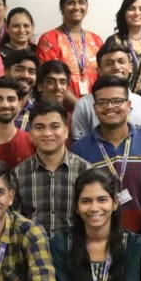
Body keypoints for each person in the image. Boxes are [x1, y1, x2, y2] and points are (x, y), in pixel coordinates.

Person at [72, 75, 141, 237]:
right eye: (102, 102)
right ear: (94, 108)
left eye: (117, 101)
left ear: (128, 105)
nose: (110, 107)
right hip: (98, 238)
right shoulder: (79, 150)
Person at [12, 100, 91, 238]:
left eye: (55, 126)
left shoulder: (86, 171)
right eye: (39, 127)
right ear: (30, 133)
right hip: (32, 249)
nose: (47, 133)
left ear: (66, 131)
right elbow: (14, 221)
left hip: (75, 249)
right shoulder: (18, 174)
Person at [70, 40, 141, 140]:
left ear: (130, 67)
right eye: (108, 63)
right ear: (99, 71)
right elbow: (79, 143)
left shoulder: (140, 102)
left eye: (121, 61)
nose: (116, 67)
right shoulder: (83, 105)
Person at [36, 0, 102, 106]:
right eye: (71, 3)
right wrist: (81, 108)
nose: (77, 7)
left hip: (95, 108)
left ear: (87, 7)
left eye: (81, 2)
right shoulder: (50, 39)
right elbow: (51, 80)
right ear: (62, 8)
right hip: (61, 109)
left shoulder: (96, 40)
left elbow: (103, 76)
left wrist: (95, 108)